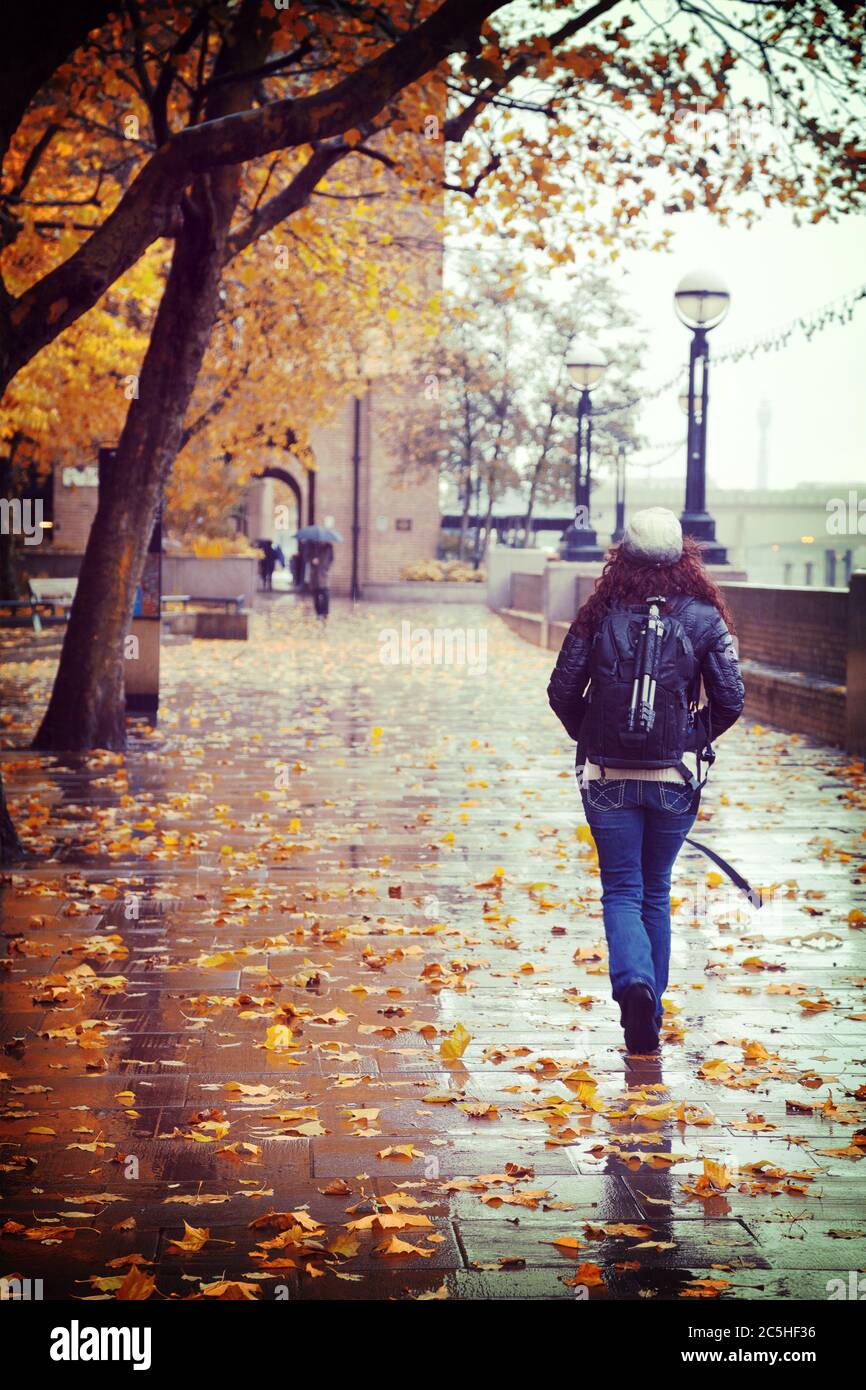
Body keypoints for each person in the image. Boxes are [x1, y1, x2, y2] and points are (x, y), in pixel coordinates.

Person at [547, 507, 745, 1054]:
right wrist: (688, 735)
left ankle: (633, 985)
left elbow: (562, 690)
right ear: (685, 556)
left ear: (622, 556)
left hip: (607, 777)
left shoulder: (598, 612)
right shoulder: (705, 616)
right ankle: (650, 1005)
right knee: (655, 890)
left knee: (623, 890)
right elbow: (731, 699)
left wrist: (593, 736)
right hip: (675, 779)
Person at [307, 540, 334, 618]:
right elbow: (307, 557)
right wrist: (312, 560)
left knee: (326, 595)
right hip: (315, 575)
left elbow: (331, 559)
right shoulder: (312, 547)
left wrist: (326, 567)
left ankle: (325, 612)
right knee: (316, 596)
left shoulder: (329, 547)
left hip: (324, 574)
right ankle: (319, 613)